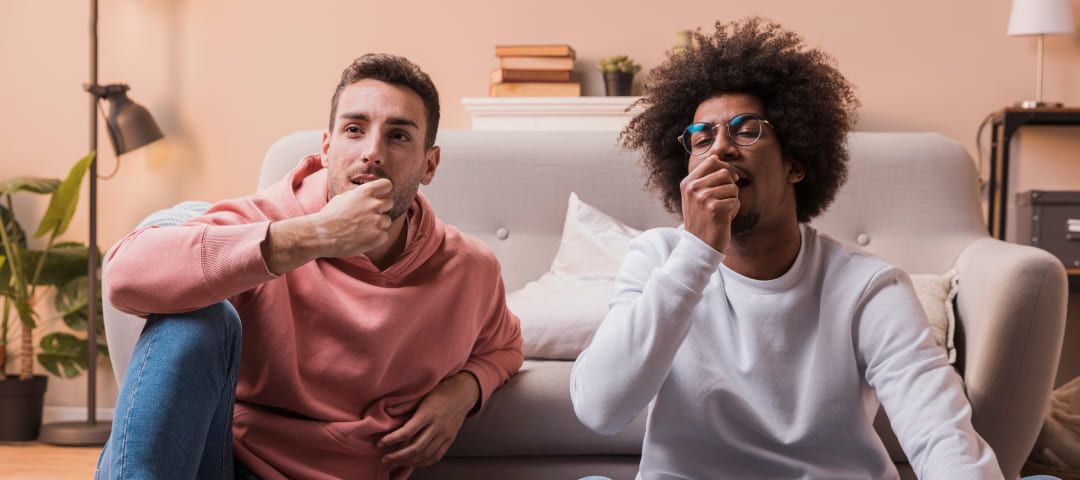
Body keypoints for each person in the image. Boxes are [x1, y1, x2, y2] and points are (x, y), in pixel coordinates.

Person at [569, 18, 1004, 479]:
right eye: (701, 137)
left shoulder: (868, 287)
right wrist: (696, 254)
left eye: (745, 130)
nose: (719, 149)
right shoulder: (658, 258)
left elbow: (941, 436)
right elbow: (600, 409)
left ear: (795, 162)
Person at [97, 53, 523, 480]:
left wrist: (464, 390)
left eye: (398, 137)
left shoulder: (468, 268)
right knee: (196, 315)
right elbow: (123, 276)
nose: (372, 153)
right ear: (327, 147)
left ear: (428, 165)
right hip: (227, 465)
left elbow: (504, 346)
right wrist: (315, 236)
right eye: (354, 130)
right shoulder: (268, 221)